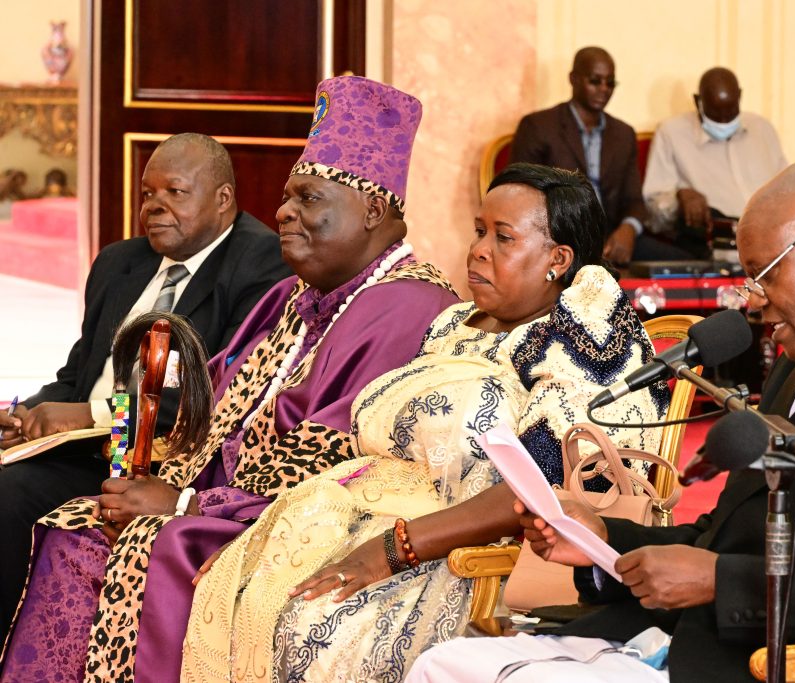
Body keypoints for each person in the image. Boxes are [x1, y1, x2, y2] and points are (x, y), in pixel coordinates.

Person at [407, 159, 795, 683]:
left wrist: (723, 582)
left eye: (766, 272)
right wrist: (601, 543)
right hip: (695, 641)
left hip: (792, 663)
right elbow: (725, 542)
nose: (752, 298)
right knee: (444, 665)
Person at [0, 76, 461, 683]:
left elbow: (331, 465)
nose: (283, 212)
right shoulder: (291, 295)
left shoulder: (406, 307)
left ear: (374, 210)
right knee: (73, 525)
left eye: (307, 199)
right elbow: (205, 405)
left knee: (115, 540)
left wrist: (184, 500)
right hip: (177, 477)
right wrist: (137, 469)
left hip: (289, 525)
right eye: (288, 197)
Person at [178, 163, 669, 683]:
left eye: (503, 238)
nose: (479, 249)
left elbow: (538, 487)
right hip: (366, 522)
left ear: (558, 259)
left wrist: (392, 551)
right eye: (480, 230)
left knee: (310, 624)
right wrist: (278, 525)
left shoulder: (582, 333)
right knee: (237, 591)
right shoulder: (455, 325)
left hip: (473, 554)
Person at [0, 132, 290, 643]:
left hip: (151, 465)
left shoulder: (261, 266)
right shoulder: (119, 262)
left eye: (175, 193)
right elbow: (78, 376)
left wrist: (90, 417)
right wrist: (25, 412)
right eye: (147, 193)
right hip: (78, 448)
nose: (154, 206)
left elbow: (217, 396)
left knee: (8, 494)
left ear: (223, 199)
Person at [509, 47, 648, 265]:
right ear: (573, 79)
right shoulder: (539, 126)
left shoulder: (623, 134)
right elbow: (520, 196)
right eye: (595, 81)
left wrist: (628, 229)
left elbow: (635, 201)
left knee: (685, 263)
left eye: (610, 83)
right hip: (558, 238)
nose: (603, 89)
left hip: (611, 238)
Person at [643, 67, 787, 258]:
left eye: (731, 111)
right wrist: (680, 197)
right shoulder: (672, 133)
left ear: (740, 97)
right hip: (717, 250)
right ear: (697, 101)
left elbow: (787, 190)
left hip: (775, 245)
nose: (724, 120)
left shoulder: (762, 129)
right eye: (716, 114)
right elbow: (653, 212)